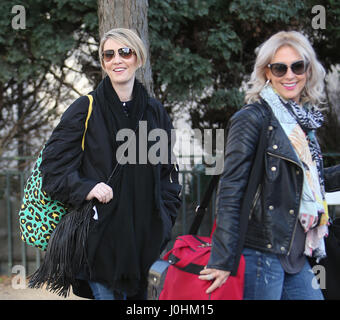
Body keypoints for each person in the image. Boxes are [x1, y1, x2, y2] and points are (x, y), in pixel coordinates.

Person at [39, 28, 181, 300]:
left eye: (125, 52)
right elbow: (53, 170)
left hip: (147, 243)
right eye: (109, 54)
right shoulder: (85, 108)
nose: (117, 60)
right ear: (103, 63)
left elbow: (167, 174)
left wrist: (164, 217)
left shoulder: (155, 112)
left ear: (138, 58)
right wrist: (87, 188)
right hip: (100, 242)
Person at [199, 30, 340, 299]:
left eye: (297, 66)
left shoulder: (303, 124)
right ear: (267, 72)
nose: (290, 75)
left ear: (308, 71)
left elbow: (308, 181)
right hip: (260, 251)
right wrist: (222, 259)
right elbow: (231, 189)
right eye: (280, 68)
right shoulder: (252, 118)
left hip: (293, 253)